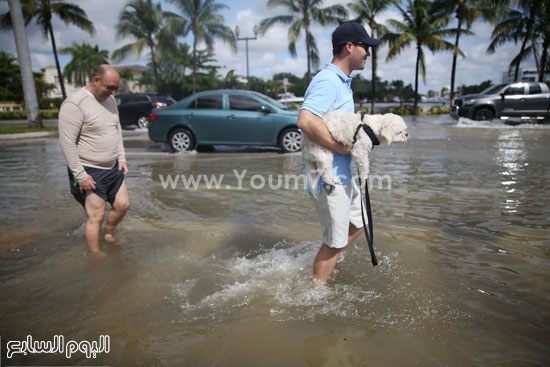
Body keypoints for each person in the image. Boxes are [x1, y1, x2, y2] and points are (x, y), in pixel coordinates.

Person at [297, 22, 381, 283]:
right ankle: (314, 294)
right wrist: (342, 148)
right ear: (349, 47)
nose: (368, 52)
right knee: (334, 243)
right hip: (329, 177)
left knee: (360, 222)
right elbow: (306, 120)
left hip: (341, 174)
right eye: (365, 46)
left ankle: (326, 258)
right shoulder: (328, 81)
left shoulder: (343, 83)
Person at [59, 64, 130, 257]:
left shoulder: (111, 100)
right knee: (96, 215)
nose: (113, 92)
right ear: (96, 80)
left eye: (116, 88)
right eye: (110, 87)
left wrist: (121, 157)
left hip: (113, 167)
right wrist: (80, 175)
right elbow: (67, 144)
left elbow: (117, 130)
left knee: (123, 205)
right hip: (89, 170)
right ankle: (96, 255)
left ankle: (108, 234)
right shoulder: (75, 104)